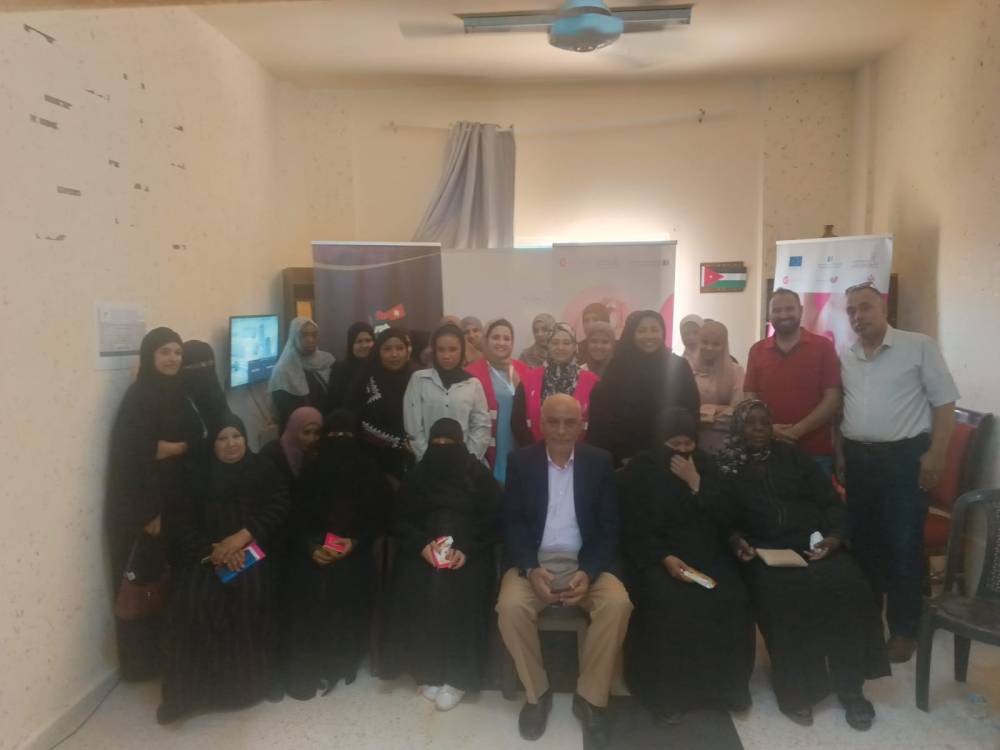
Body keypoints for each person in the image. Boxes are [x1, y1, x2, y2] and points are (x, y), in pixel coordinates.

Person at [717, 400, 889, 731]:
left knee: (851, 588)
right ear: (738, 427)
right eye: (750, 423)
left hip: (812, 544)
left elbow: (830, 502)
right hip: (764, 551)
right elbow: (721, 518)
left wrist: (835, 538)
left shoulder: (794, 458)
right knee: (786, 600)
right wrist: (736, 540)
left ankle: (851, 688)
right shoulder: (727, 467)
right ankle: (798, 691)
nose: (758, 428)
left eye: (764, 422)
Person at [497, 395, 633, 748]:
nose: (561, 430)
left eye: (569, 422)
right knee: (510, 607)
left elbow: (609, 528)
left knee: (617, 604)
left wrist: (589, 571)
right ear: (540, 424)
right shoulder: (521, 461)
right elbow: (512, 523)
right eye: (553, 421)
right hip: (535, 561)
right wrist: (530, 568)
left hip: (584, 561)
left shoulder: (599, 462)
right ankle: (537, 694)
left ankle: (590, 698)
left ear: (581, 425)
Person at [838, 283, 959, 663]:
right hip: (859, 459)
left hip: (904, 459)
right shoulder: (847, 355)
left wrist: (936, 453)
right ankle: (868, 624)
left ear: (884, 309)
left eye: (865, 307)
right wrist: (842, 455)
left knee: (903, 544)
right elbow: (844, 408)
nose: (858, 316)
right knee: (865, 544)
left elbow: (945, 402)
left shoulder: (918, 346)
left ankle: (905, 629)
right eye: (851, 310)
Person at [618, 408, 754, 723]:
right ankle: (669, 696)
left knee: (731, 597)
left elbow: (727, 517)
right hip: (656, 557)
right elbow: (632, 525)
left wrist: (696, 483)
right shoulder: (640, 470)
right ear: (660, 442)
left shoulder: (707, 466)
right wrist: (664, 557)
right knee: (670, 603)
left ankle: (725, 690)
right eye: (674, 445)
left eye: (687, 444)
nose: (682, 452)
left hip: (708, 555)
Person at [158, 414, 290, 724]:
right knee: (192, 602)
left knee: (251, 594)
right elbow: (181, 523)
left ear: (245, 439)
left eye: (237, 436)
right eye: (222, 438)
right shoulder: (196, 475)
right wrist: (214, 551)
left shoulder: (262, 468)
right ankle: (186, 696)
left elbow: (279, 505)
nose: (231, 444)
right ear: (212, 444)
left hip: (253, 551)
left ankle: (256, 684)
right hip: (206, 555)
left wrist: (243, 537)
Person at [381, 418, 502, 711]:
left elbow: (494, 521)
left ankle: (459, 677)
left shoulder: (479, 476)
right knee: (416, 585)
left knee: (465, 591)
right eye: (437, 445)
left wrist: (466, 550)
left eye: (450, 445)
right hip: (423, 552)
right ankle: (428, 669)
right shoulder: (417, 477)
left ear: (461, 445)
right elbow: (400, 520)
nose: (443, 450)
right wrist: (422, 546)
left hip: (468, 555)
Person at [106, 327, 205, 681]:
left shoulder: (180, 392)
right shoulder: (138, 397)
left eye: (177, 352)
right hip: (150, 509)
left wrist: (173, 447)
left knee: (173, 580)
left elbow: (198, 437)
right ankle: (143, 665)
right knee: (147, 582)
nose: (172, 359)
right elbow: (131, 458)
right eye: (165, 352)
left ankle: (173, 655)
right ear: (149, 356)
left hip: (179, 501)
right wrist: (150, 511)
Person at [282, 409, 390, 700]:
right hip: (312, 552)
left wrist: (355, 542)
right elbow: (297, 519)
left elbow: (380, 518)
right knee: (306, 585)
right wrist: (312, 547)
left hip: (356, 552)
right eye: (334, 436)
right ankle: (313, 660)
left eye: (346, 436)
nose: (340, 443)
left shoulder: (368, 472)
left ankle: (341, 658)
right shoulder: (310, 472)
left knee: (345, 583)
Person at [744, 288, 842, 476]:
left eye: (789, 309)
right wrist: (769, 429)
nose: (783, 315)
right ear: (769, 314)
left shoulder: (824, 347)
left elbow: (833, 399)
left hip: (815, 452)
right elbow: (750, 397)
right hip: (768, 450)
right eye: (777, 310)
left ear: (801, 310)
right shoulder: (757, 350)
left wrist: (796, 431)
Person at [587, 310, 700, 467]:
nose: (649, 336)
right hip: (625, 456)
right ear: (632, 333)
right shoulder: (618, 366)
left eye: (654, 330)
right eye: (642, 330)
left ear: (663, 332)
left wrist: (683, 449)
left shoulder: (679, 366)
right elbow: (604, 413)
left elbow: (691, 410)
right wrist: (621, 453)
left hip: (670, 455)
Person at [404, 324, 491, 462]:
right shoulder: (419, 380)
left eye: (452, 349)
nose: (446, 356)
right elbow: (413, 427)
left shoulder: (473, 384)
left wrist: (467, 460)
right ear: (434, 351)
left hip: (465, 463)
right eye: (441, 350)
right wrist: (427, 458)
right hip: (427, 462)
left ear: (462, 351)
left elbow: (481, 427)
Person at [466, 318, 533, 481]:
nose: (501, 343)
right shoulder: (470, 373)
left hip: (517, 443)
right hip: (486, 448)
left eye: (507, 338)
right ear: (486, 340)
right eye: (495, 337)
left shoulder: (525, 370)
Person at [512, 323, 600, 445]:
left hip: (578, 452)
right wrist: (535, 450)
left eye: (566, 343)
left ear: (575, 346)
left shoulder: (592, 382)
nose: (560, 347)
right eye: (555, 342)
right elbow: (517, 422)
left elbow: (598, 425)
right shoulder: (529, 379)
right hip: (535, 451)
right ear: (548, 345)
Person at [348, 327, 414, 482]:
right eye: (387, 349)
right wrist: (399, 442)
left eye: (400, 348)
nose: (394, 354)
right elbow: (359, 422)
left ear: (407, 351)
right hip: (373, 460)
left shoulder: (418, 379)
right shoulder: (366, 380)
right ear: (378, 352)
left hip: (415, 459)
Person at [268, 317, 335, 434]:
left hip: (325, 428)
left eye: (314, 335)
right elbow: (284, 413)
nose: (310, 339)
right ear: (294, 337)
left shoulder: (327, 361)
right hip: (296, 433)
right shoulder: (284, 370)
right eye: (304, 335)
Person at [690, 320, 745, 453]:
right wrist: (720, 409)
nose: (709, 347)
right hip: (692, 442)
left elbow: (738, 411)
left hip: (726, 444)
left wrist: (704, 411)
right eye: (705, 342)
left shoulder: (736, 371)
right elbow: (685, 410)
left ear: (724, 345)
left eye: (716, 344)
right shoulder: (688, 369)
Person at [258, 406, 323, 486]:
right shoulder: (270, 454)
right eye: (306, 432)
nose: (312, 438)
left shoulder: (313, 453)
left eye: (317, 433)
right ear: (294, 430)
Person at [181, 340, 229, 435]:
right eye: (196, 365)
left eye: (208, 363)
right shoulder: (179, 405)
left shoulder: (217, 396)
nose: (204, 369)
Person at [325, 322, 375, 412]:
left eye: (368, 341)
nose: (364, 345)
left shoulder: (381, 367)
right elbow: (333, 404)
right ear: (351, 344)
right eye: (359, 341)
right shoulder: (339, 371)